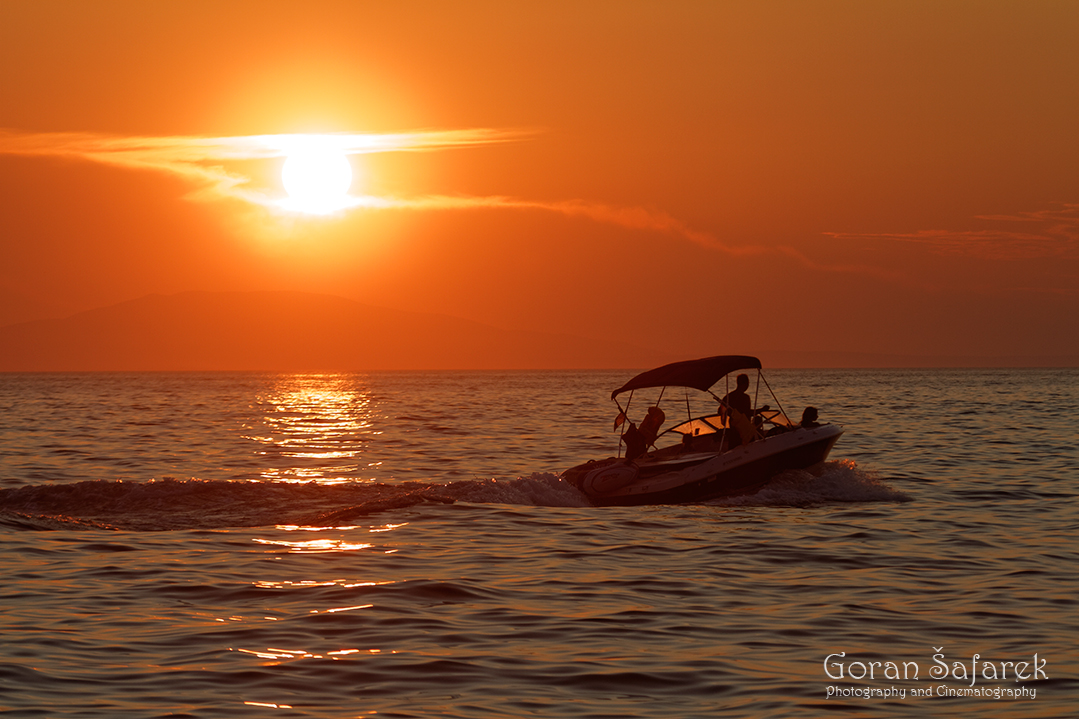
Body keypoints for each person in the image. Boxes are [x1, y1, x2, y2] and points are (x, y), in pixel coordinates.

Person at [721, 373, 757, 446]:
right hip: (743, 429)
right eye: (748, 383)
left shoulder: (728, 396)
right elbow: (748, 413)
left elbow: (720, 411)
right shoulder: (745, 397)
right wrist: (761, 410)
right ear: (745, 384)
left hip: (733, 429)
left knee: (732, 448)